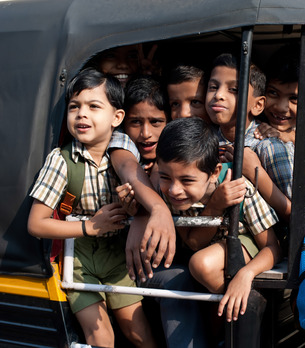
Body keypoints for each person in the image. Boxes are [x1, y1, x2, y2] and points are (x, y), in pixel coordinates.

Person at [27, 68, 157, 348]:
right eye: (74, 107)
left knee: (138, 332)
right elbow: (36, 224)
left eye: (93, 106)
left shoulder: (126, 154)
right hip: (78, 260)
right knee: (101, 336)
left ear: (117, 118)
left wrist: (132, 207)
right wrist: (90, 226)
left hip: (118, 257)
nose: (81, 114)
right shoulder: (61, 160)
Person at [114, 75, 210, 348]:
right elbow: (127, 167)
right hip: (128, 264)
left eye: (156, 122)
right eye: (136, 122)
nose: (146, 133)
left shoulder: (176, 159)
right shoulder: (124, 148)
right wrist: (152, 210)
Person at [155, 117, 281, 324]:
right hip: (209, 257)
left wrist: (246, 275)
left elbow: (273, 247)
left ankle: (249, 308)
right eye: (165, 177)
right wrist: (215, 206)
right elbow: (193, 242)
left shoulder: (239, 188)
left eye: (187, 180)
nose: (174, 189)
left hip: (245, 245)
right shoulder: (169, 194)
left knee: (201, 264)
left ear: (214, 173)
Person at [206, 53, 291, 221]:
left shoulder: (268, 146)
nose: (218, 95)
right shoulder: (205, 141)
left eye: (234, 90)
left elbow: (296, 212)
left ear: (258, 105)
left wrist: (254, 172)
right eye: (213, 87)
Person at [254, 43, 305, 188]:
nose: (281, 107)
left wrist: (292, 139)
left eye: (294, 98)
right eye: (273, 93)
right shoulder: (256, 106)